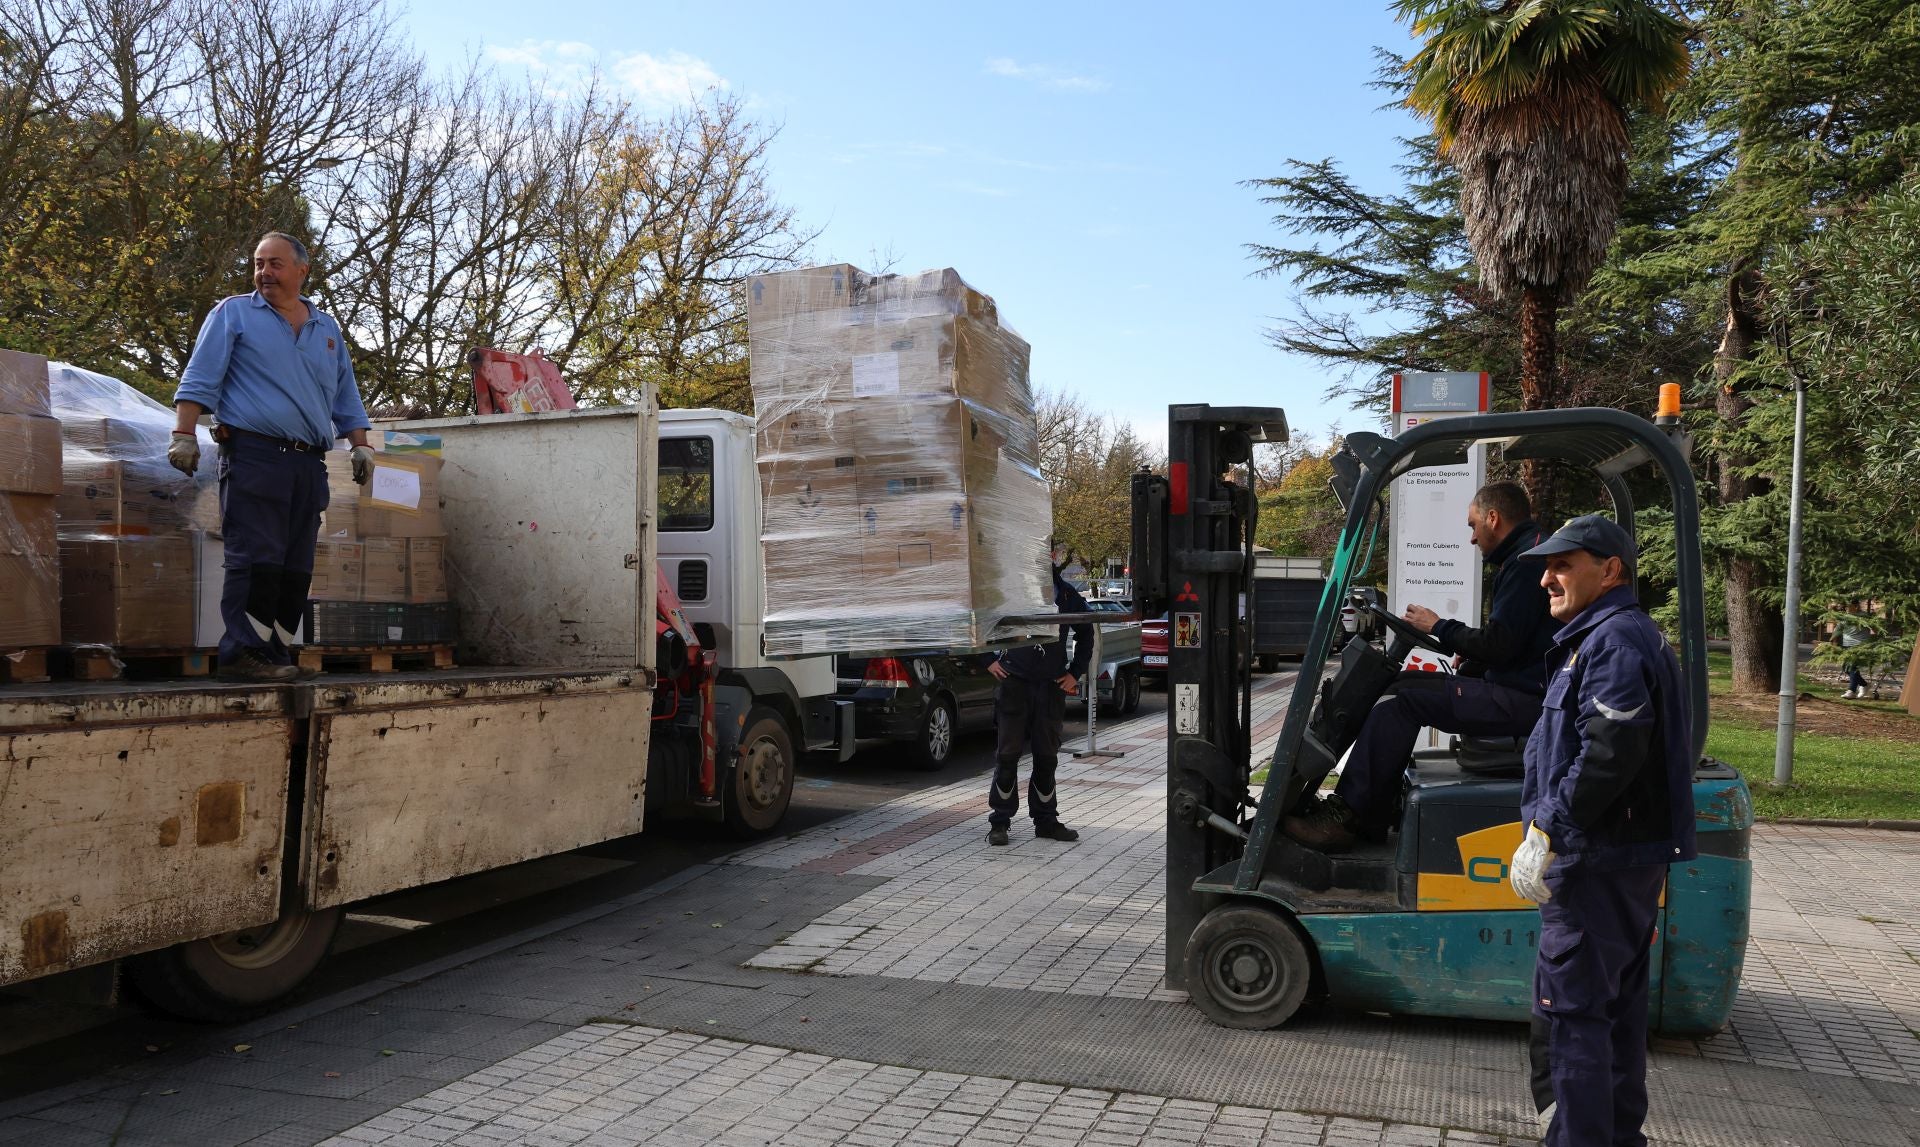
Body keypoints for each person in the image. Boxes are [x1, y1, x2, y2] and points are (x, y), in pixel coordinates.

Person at [1507, 515, 1695, 1147]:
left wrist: (1546, 832)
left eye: (1564, 564)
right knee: (1613, 1017)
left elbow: (1610, 749)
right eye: (1546, 565)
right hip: (1615, 857)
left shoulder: (1612, 641)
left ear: (1611, 569)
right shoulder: (1604, 637)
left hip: (1595, 860)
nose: (1547, 578)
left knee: (1576, 1017)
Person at [1285, 481, 1556, 852]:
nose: (1473, 538)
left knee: (1401, 700)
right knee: (1397, 683)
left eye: (1473, 526)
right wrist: (1473, 657)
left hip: (1525, 700)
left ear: (1493, 518)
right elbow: (1517, 641)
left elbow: (1501, 644)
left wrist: (1438, 627)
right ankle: (1371, 812)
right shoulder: (1528, 552)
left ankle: (1349, 817)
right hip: (1523, 689)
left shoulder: (1527, 562)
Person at [168, 233, 375, 681]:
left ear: (303, 270)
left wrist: (360, 443)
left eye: (276, 264)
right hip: (255, 455)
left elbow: (345, 395)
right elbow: (200, 376)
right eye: (259, 263)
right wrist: (183, 433)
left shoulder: (327, 329)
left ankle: (276, 651)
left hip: (308, 464)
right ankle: (243, 652)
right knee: (257, 556)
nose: (265, 273)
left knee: (295, 563)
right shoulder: (234, 314)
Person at [985, 541, 1094, 846]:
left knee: (1047, 758)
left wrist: (1075, 672)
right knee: (1007, 756)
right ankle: (1000, 822)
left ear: (1053, 556)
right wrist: (987, 659)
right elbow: (981, 621)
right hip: (1014, 686)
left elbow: (1087, 632)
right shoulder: (1009, 591)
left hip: (1050, 689)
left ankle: (1046, 821)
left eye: (1044, 551)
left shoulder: (1068, 595)